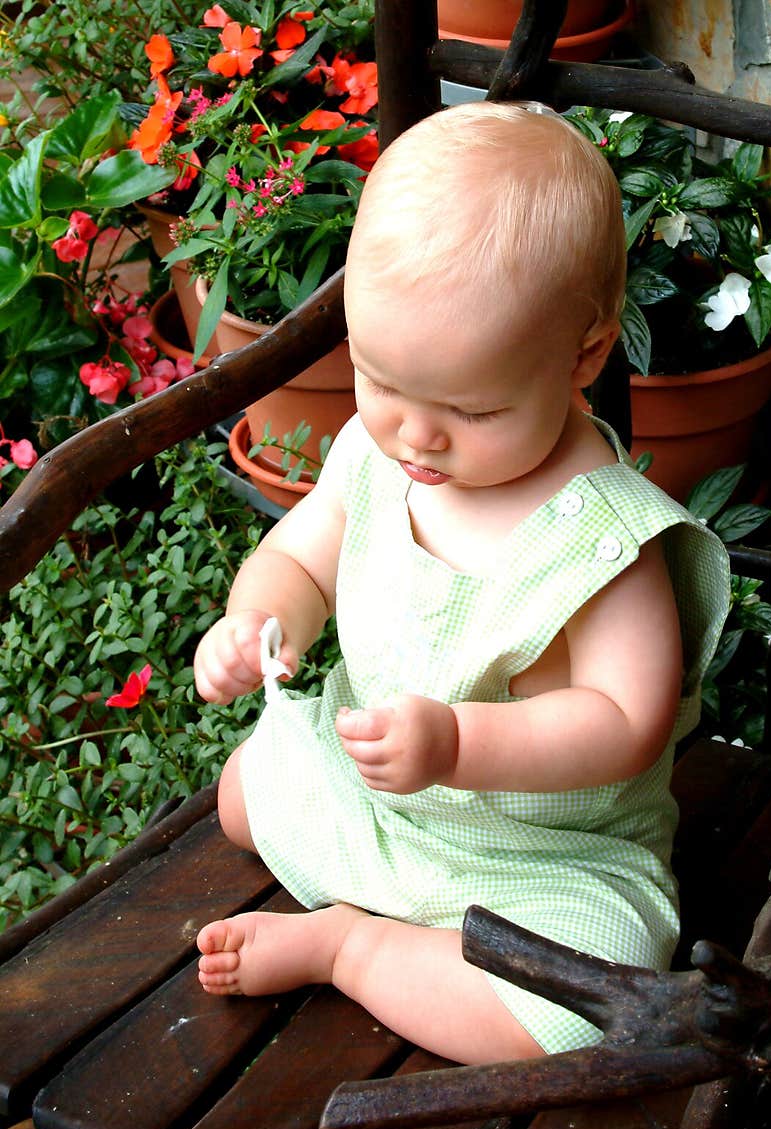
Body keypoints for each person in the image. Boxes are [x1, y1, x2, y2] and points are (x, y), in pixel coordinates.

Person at [193, 100, 729, 1065]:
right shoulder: (377, 455)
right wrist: (255, 618)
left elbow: (625, 716)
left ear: (585, 357)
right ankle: (388, 901)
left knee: (583, 995)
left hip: (547, 863)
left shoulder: (603, 536)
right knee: (243, 794)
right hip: (390, 798)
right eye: (381, 381)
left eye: (471, 408)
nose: (416, 435)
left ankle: (352, 944)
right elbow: (303, 557)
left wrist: (456, 741)